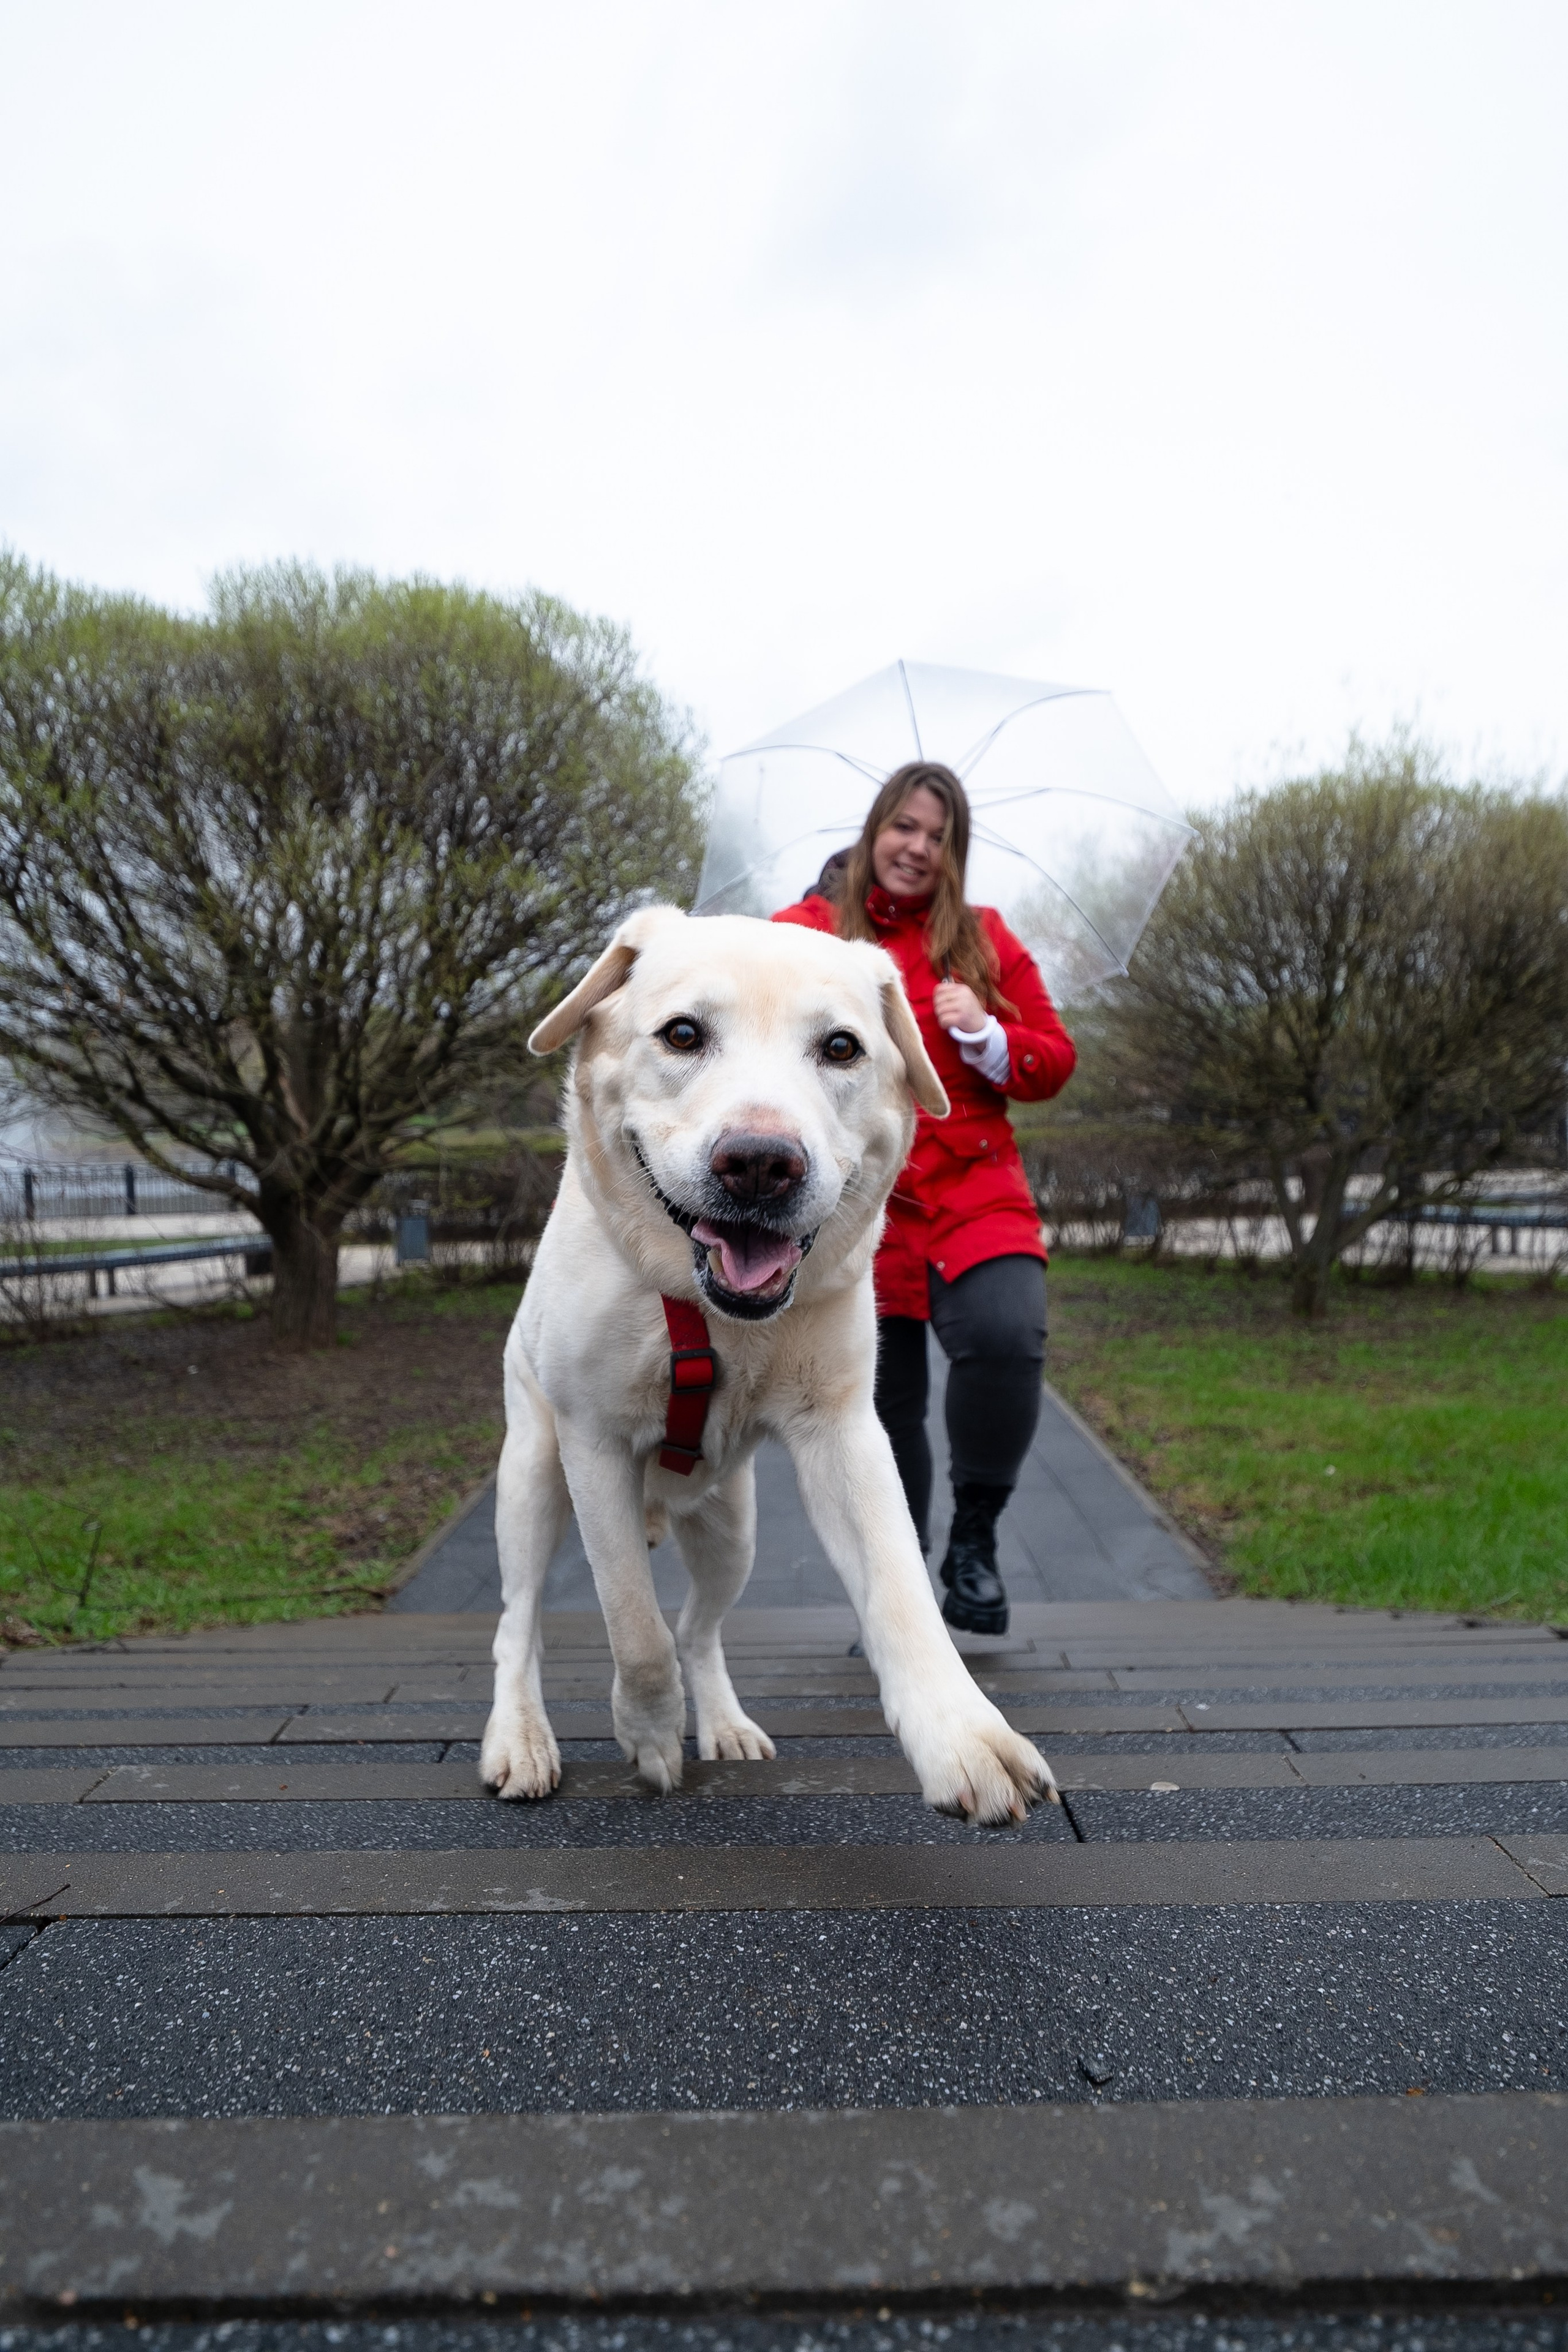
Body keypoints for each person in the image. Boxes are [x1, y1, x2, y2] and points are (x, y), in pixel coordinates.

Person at [774, 763, 1076, 1634]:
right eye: (904, 827)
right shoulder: (810, 932)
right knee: (883, 1405)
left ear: (955, 853)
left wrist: (988, 1033)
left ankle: (974, 1539)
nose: (918, 847)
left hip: (980, 1188)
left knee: (1006, 1336)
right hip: (867, 1208)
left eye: (938, 837)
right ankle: (898, 1590)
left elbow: (1054, 1059)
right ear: (874, 832)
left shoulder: (983, 940)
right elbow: (749, 1003)